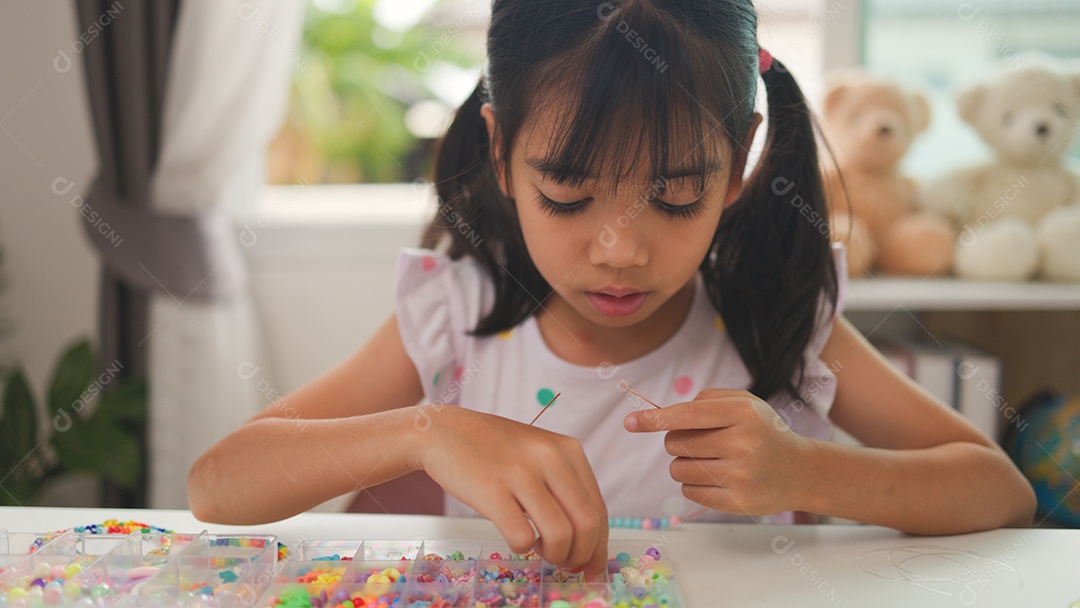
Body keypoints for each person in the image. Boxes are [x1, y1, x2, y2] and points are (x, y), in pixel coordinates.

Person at [188, 0, 1035, 581]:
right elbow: (219, 484)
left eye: (674, 197)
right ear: (501, 148)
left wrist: (805, 474)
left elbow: (999, 492)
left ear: (739, 163)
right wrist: (425, 432)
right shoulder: (458, 314)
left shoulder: (771, 320)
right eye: (567, 196)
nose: (619, 250)